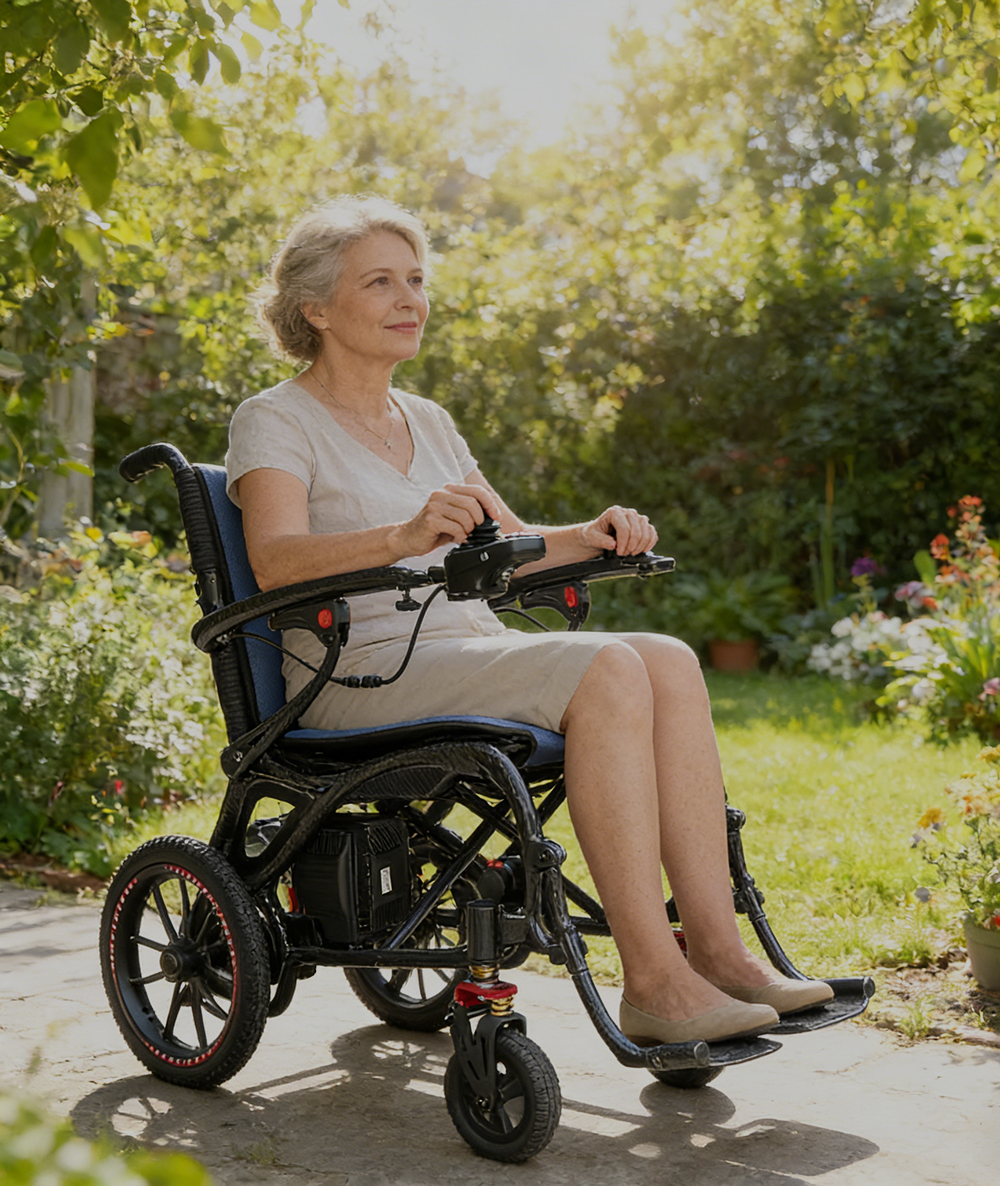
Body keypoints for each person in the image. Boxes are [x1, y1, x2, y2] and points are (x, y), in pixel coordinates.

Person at [225, 195, 833, 1045]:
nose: (410, 299)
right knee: (608, 668)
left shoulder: (428, 420)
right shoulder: (274, 418)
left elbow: (510, 547)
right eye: (380, 282)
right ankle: (654, 984)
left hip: (466, 653)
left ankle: (720, 953)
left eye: (416, 280)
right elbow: (274, 560)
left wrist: (592, 534)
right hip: (355, 673)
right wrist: (401, 537)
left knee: (668, 657)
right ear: (316, 308)